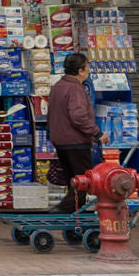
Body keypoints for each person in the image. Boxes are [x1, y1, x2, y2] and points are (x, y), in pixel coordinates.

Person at [49, 51, 107, 213]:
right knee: (84, 183)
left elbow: (51, 114)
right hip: (76, 142)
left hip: (60, 142)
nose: (88, 72)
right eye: (87, 68)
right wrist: (97, 133)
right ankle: (59, 212)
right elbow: (78, 116)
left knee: (74, 182)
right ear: (80, 71)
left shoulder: (57, 87)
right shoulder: (74, 89)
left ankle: (73, 220)